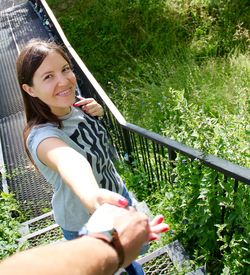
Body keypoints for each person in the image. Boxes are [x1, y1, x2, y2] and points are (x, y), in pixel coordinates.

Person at [16, 39, 145, 273]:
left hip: (115, 193)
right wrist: (93, 196)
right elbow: (68, 160)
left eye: (65, 69)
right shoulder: (42, 136)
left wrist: (99, 112)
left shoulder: (75, 104)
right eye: (48, 77)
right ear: (30, 89)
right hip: (84, 221)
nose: (63, 81)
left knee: (134, 257)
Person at [0, 204, 170, 275]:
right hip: (81, 224)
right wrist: (108, 240)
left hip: (105, 223)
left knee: (131, 266)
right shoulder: (42, 136)